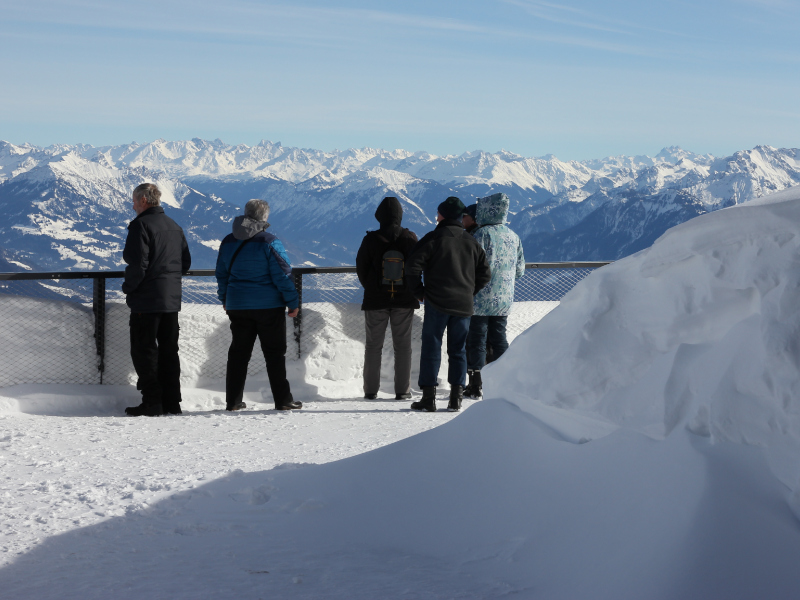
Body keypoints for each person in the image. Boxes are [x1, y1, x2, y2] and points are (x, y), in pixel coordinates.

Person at [215, 199, 302, 412]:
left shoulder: (227, 241)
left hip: (237, 305)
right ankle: (282, 399)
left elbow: (222, 275)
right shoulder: (270, 242)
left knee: (238, 353)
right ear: (264, 218)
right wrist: (293, 302)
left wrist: (225, 298)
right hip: (268, 307)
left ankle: (233, 401)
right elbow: (283, 276)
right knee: (274, 354)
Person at [406, 196, 491, 412]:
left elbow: (412, 267)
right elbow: (485, 274)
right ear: (460, 217)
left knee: (432, 347)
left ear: (442, 215)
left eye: (438, 213)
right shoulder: (472, 242)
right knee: (458, 350)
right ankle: (456, 398)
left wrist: (419, 292)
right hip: (463, 304)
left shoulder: (433, 238)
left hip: (436, 301)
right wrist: (470, 291)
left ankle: (428, 398)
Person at [122, 183, 191, 417]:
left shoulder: (140, 226)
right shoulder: (174, 226)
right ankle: (173, 402)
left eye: (133, 200)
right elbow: (186, 263)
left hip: (147, 300)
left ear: (142, 200)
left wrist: (129, 288)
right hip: (171, 300)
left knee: (144, 351)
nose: (132, 205)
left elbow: (137, 264)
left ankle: (152, 401)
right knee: (169, 351)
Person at [356, 197, 420, 400]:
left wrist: (373, 287)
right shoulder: (410, 238)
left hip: (376, 300)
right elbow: (417, 267)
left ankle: (370, 390)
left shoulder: (371, 239)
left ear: (379, 216)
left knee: (373, 346)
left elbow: (362, 268)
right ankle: (402, 391)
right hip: (404, 300)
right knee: (403, 347)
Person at [464, 193, 525, 399]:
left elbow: (470, 265)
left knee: (477, 340)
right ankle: (503, 380)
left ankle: (476, 384)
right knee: (499, 338)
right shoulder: (513, 236)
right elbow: (520, 270)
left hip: (479, 297)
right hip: (504, 298)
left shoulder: (480, 235)